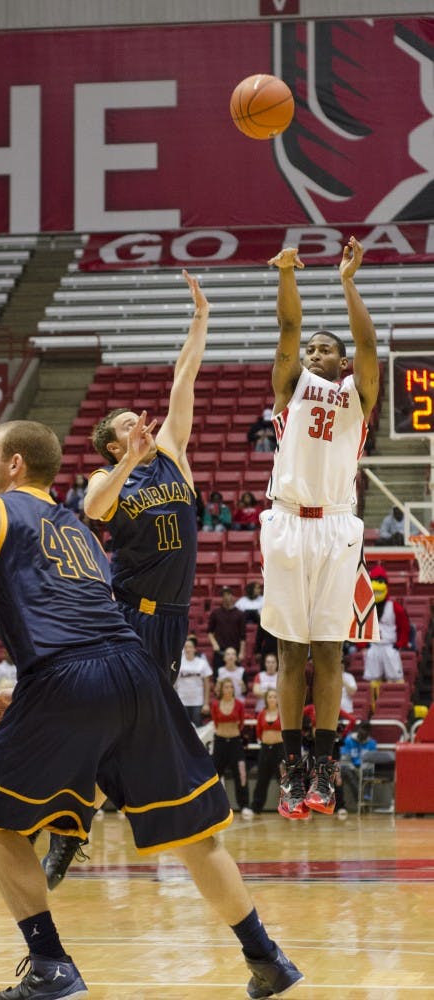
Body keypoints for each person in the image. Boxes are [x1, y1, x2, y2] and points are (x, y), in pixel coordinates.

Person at [0, 419, 303, 1000]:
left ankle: (49, 965)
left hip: (67, 676)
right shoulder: (82, 529)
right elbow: (86, 621)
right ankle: (265, 957)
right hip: (134, 669)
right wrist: (25, 690)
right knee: (197, 837)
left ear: (14, 464)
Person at [42, 269, 214, 888]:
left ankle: (145, 809)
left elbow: (183, 377)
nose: (137, 423)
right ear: (112, 446)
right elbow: (93, 512)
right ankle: (69, 830)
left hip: (171, 619)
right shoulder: (106, 479)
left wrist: (200, 318)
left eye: (136, 420)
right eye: (123, 426)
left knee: (140, 719)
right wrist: (130, 462)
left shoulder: (174, 452)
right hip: (125, 611)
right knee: (103, 715)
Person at [261, 235, 380, 820]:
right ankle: (291, 766)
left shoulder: (358, 396)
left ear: (340, 361)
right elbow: (287, 329)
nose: (313, 353)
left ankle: (326, 767)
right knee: (290, 652)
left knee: (329, 650)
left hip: (336, 527)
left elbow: (368, 341)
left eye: (324, 348)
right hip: (287, 521)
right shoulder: (291, 390)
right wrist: (287, 273)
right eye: (310, 349)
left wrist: (347, 280)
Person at [211, 678, 251, 817]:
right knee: (214, 775)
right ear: (221, 689)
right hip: (220, 743)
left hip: (235, 743)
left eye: (231, 687)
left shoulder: (239, 704)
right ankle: (212, 807)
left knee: (241, 774)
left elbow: (241, 724)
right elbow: (216, 723)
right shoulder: (215, 705)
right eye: (226, 687)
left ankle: (245, 805)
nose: (229, 689)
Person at [362, 565, 410, 683]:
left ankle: (396, 701)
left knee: (395, 680)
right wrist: (363, 645)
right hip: (373, 647)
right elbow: (360, 626)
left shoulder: (395, 607)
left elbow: (404, 628)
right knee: (373, 681)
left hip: (389, 646)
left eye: (379, 581)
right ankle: (373, 702)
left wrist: (399, 644)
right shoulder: (366, 607)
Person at [250, 689, 284, 817]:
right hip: (265, 749)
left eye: (275, 696)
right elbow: (258, 732)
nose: (272, 699)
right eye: (270, 696)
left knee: (283, 780)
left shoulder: (282, 713)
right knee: (262, 780)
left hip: (280, 750)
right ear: (266, 699)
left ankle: (289, 808)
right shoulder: (262, 714)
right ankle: (256, 808)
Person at [207, 586, 246, 676]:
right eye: (224, 595)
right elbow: (209, 632)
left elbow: (243, 636)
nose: (226, 597)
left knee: (236, 676)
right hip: (220, 651)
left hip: (234, 651)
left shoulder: (240, 614)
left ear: (232, 596)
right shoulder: (215, 613)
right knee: (218, 677)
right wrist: (214, 644)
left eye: (228, 594)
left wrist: (241, 652)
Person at [175, 637, 212, 726]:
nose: (188, 649)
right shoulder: (178, 663)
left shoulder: (202, 663)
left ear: (195, 649)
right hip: (182, 701)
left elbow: (207, 684)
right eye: (186, 647)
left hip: (197, 702)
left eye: (190, 647)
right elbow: (173, 683)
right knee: (182, 729)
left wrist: (206, 703)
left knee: (198, 730)